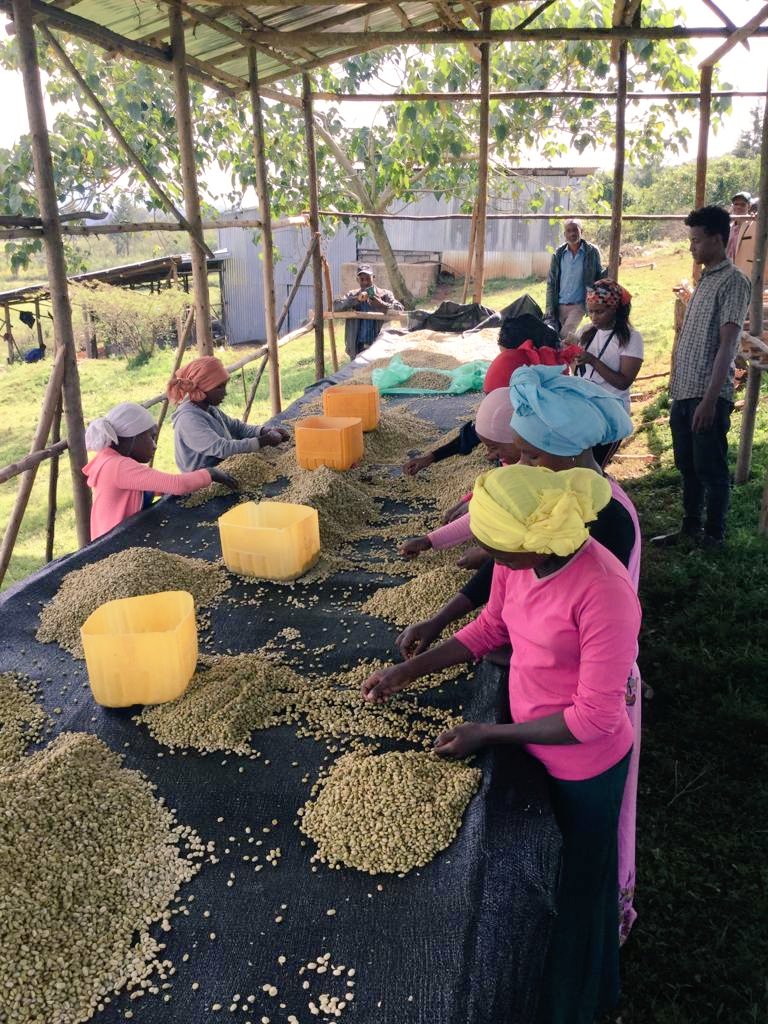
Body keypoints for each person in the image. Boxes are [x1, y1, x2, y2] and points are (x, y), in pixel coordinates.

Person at [363, 464, 641, 1024]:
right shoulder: (519, 565)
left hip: (583, 763)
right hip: (530, 732)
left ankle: (581, 998)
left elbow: (592, 718)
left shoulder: (603, 592)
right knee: (537, 875)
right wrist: (411, 669)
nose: (483, 556)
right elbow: (491, 628)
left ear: (530, 545)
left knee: (580, 883)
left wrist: (487, 732)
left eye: (494, 548)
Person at [653, 205, 750, 550]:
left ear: (717, 239)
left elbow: (728, 345)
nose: (691, 247)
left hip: (707, 395)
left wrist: (710, 400)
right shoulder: (704, 280)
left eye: (696, 240)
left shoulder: (733, 282)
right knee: (688, 466)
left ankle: (714, 535)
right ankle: (690, 527)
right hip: (684, 392)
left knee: (711, 468)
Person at [402, 314, 579, 477]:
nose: (489, 455)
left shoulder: (547, 423)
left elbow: (488, 428)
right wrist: (432, 457)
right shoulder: (547, 374)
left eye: (506, 357)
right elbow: (482, 428)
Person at [82, 402, 237, 540]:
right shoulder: (117, 466)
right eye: (151, 437)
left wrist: (163, 490)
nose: (154, 446)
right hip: (113, 544)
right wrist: (211, 473)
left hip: (116, 536)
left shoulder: (110, 460)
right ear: (131, 437)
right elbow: (178, 485)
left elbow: (146, 487)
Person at [168, 356, 289, 472]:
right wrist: (264, 440)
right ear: (203, 388)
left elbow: (237, 427)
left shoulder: (208, 408)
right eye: (219, 387)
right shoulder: (188, 419)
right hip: (203, 482)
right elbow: (223, 449)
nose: (225, 393)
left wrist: (264, 431)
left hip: (224, 468)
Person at [574, 279, 644, 465]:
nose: (594, 317)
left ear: (615, 309)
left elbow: (623, 382)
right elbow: (577, 371)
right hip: (585, 409)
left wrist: (593, 360)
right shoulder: (586, 331)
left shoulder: (630, 338)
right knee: (580, 465)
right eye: (590, 311)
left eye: (600, 312)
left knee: (596, 465)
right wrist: (571, 354)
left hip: (611, 413)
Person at [545, 219, 605, 339]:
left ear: (581, 231)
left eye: (575, 230)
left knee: (564, 335)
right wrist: (549, 308)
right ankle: (569, 353)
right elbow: (551, 283)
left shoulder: (591, 252)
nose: (572, 233)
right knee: (552, 335)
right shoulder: (558, 254)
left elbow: (599, 277)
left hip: (578, 305)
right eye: (569, 231)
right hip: (559, 304)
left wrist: (612, 266)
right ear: (565, 234)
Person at [333, 264, 404, 360]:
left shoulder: (384, 294)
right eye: (362, 279)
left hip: (379, 346)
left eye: (368, 279)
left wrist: (382, 304)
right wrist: (356, 300)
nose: (365, 282)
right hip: (357, 347)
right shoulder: (352, 295)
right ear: (357, 280)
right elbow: (335, 306)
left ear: (373, 278)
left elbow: (400, 309)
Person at [726, 190, 751, 261]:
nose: (738, 207)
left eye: (742, 204)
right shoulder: (729, 227)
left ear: (749, 206)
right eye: (736, 204)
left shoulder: (753, 227)